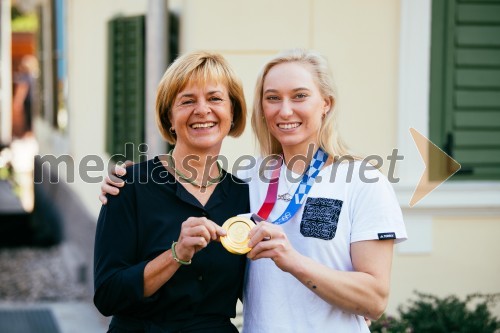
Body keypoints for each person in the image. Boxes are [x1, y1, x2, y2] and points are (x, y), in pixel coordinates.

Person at [101, 49, 407, 332]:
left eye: (300, 96)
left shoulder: (364, 181)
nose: (285, 110)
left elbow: (374, 301)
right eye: (273, 98)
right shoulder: (248, 182)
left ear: (326, 102)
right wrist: (131, 179)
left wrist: (295, 262)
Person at [93, 51, 249, 333]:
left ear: (233, 111)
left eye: (215, 98)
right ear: (168, 118)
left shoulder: (245, 195)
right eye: (187, 101)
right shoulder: (129, 185)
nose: (202, 110)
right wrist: (176, 254)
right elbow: (107, 295)